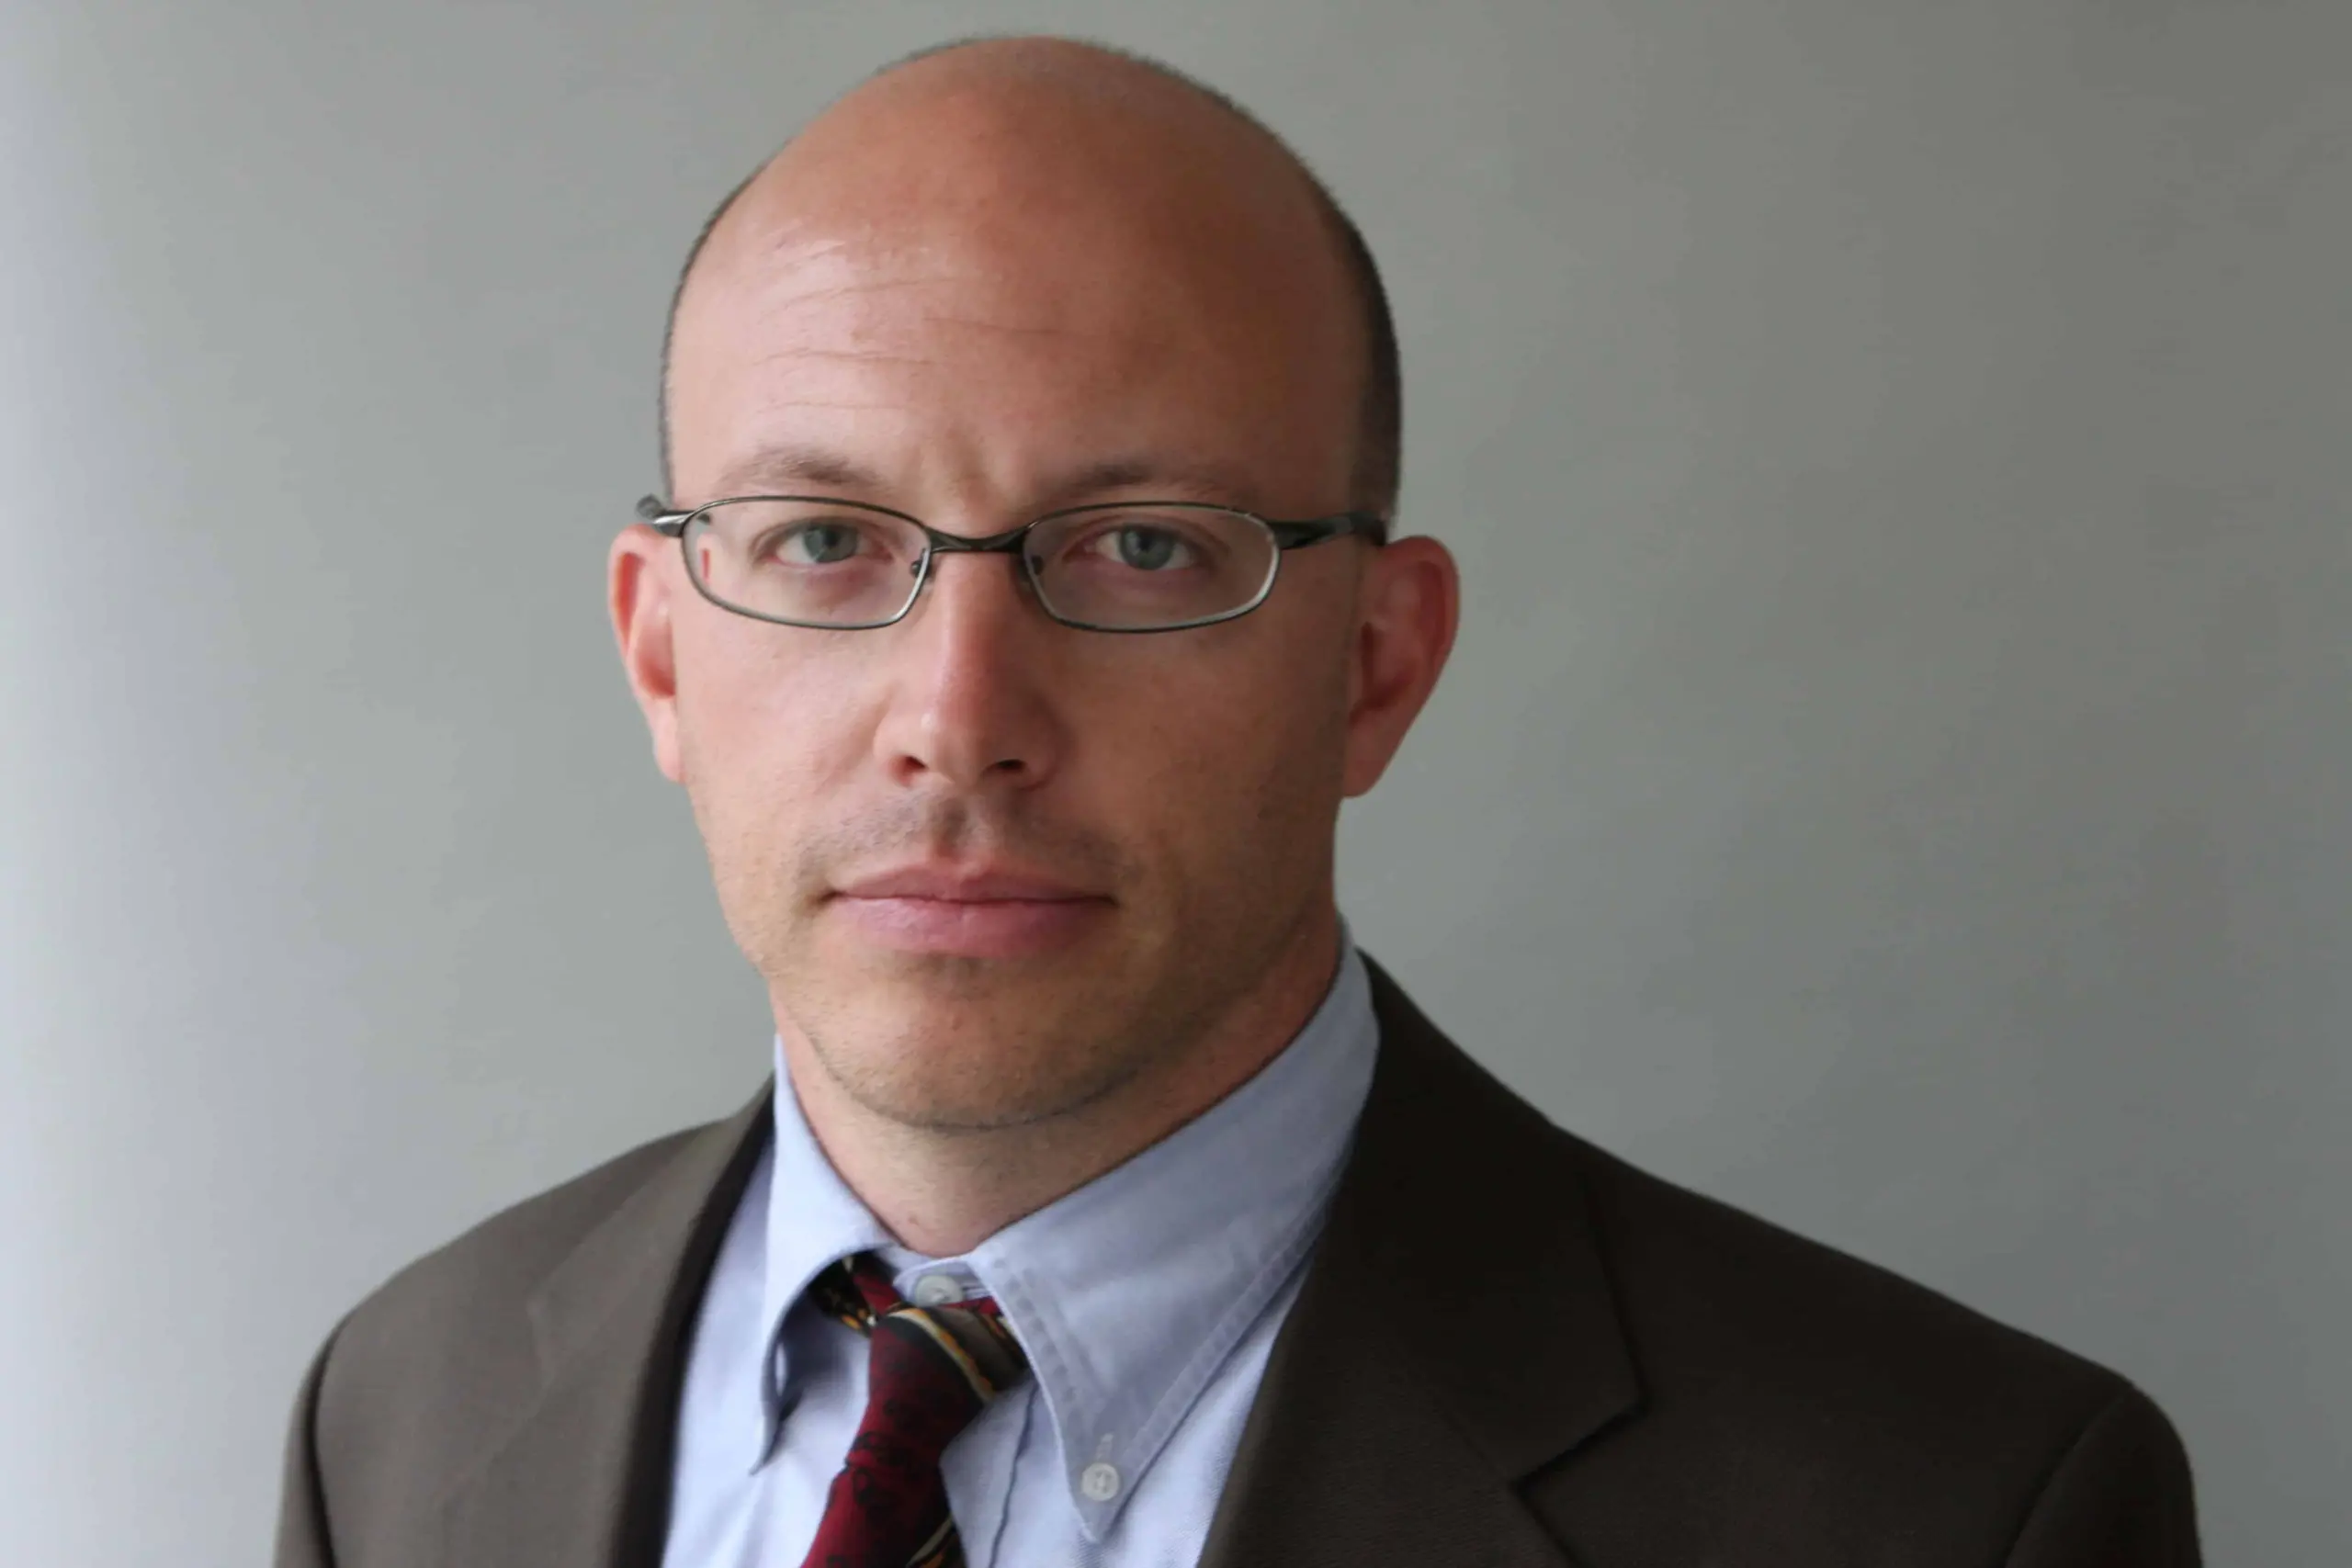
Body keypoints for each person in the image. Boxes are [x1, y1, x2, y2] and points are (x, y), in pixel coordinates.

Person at [273, 35, 2200, 1568]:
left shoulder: (1953, 1510)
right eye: (823, 540)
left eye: (1141, 547)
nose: (959, 720)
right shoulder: (400, 1415)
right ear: (661, 652)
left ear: (1374, 662)